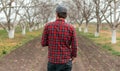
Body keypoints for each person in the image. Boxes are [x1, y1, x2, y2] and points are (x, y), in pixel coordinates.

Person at [41, 5, 77, 71]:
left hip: (52, 61)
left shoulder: (48, 26)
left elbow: (43, 43)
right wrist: (73, 56)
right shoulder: (71, 28)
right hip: (66, 61)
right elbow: (74, 45)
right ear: (66, 15)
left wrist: (52, 41)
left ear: (56, 14)